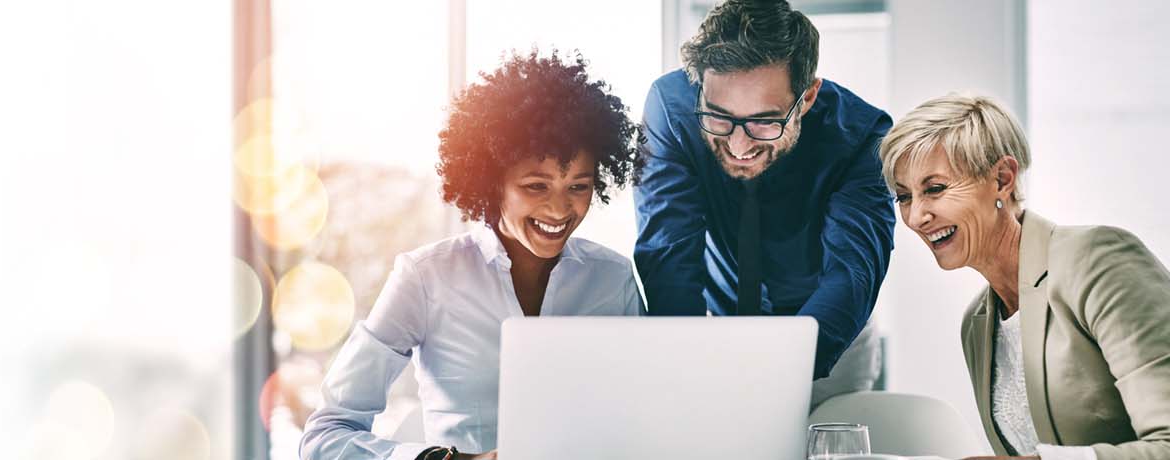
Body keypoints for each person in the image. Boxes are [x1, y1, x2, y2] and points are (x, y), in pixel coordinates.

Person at [298, 49, 644, 460]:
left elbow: (643, 414)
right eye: (536, 186)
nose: (559, 210)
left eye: (578, 187)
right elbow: (325, 436)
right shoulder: (425, 278)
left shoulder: (613, 279)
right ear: (493, 182)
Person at [881, 93, 1170, 460]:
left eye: (935, 189)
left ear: (1002, 178)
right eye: (903, 197)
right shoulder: (978, 323)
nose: (916, 217)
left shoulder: (1098, 260)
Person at [632, 0, 894, 403]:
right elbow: (668, 253)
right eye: (719, 117)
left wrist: (771, 373)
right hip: (716, 330)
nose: (739, 144)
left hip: (829, 341)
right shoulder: (671, 109)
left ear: (806, 98)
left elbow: (851, 273)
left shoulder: (862, 136)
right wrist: (682, 364)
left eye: (764, 121)